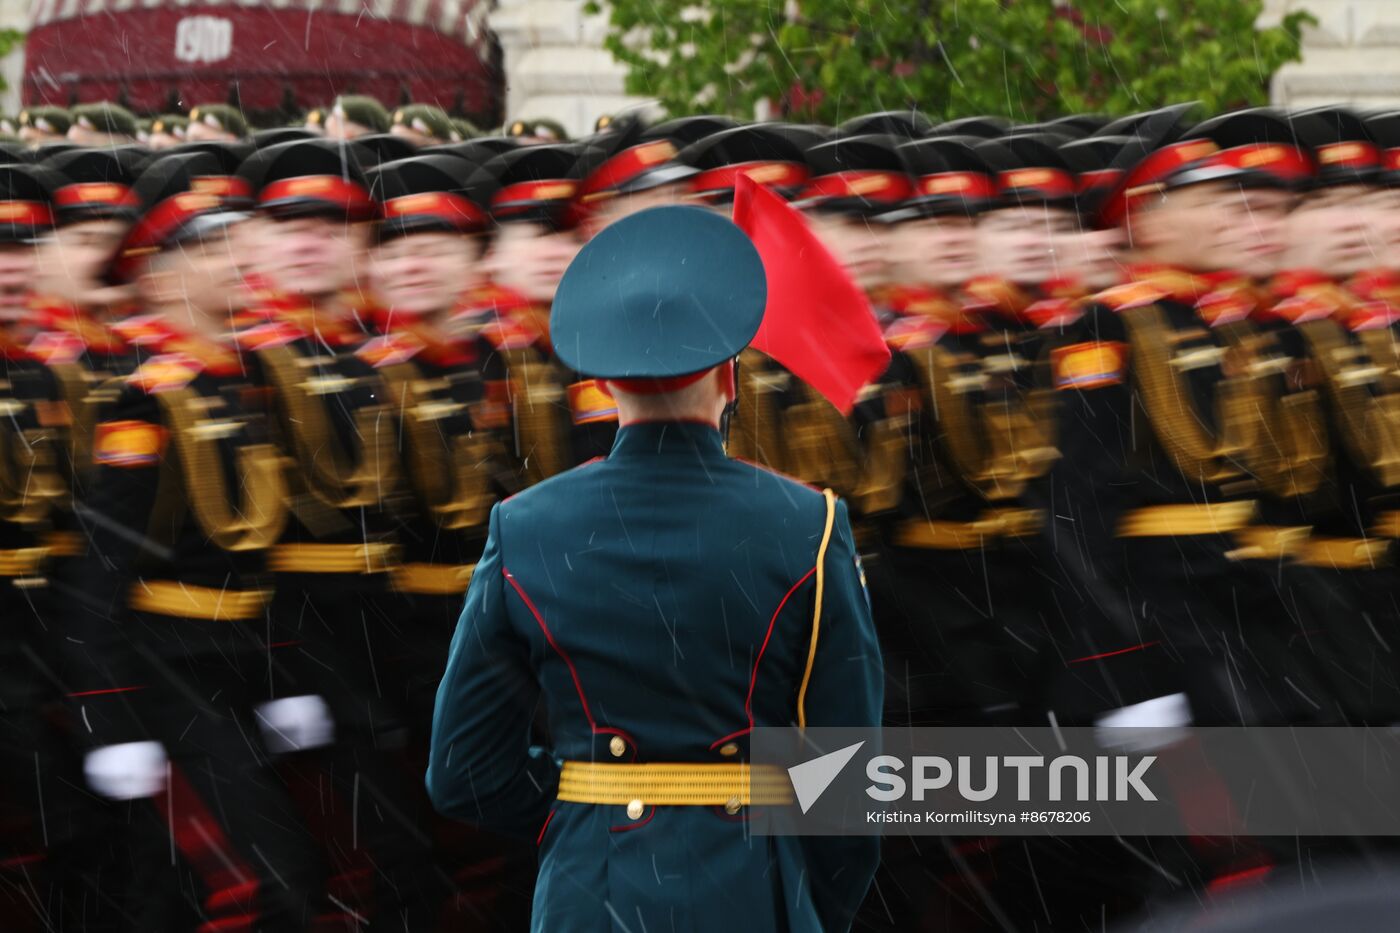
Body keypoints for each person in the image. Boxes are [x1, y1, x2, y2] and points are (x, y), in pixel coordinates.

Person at [428, 204, 884, 932]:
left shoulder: (524, 528)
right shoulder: (809, 524)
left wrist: (584, 809)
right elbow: (846, 779)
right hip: (754, 888)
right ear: (730, 379)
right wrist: (808, 900)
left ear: (604, 384)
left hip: (590, 894)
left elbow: (462, 769)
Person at [60, 151, 324, 930]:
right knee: (269, 881)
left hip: (234, 662)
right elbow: (96, 575)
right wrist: (110, 720)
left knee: (171, 887)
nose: (237, 261)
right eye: (210, 249)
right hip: (170, 671)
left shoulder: (237, 382)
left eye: (236, 241)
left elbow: (258, 558)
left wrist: (280, 675)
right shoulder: (143, 399)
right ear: (160, 271)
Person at [364, 151, 538, 928]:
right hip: (387, 642)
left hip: (514, 632)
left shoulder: (523, 366)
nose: (415, 263)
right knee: (407, 855)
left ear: (473, 257)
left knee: (520, 840)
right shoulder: (352, 374)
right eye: (396, 246)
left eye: (435, 244)